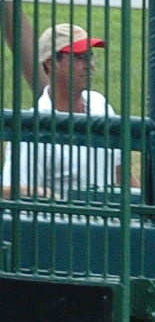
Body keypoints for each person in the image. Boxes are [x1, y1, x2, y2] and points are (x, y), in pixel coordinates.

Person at [0, 22, 124, 199]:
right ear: (51, 63)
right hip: (61, 225)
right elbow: (11, 190)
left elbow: (120, 172)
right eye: (79, 57)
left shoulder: (99, 105)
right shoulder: (32, 130)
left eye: (89, 56)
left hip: (109, 222)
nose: (89, 65)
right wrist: (50, 197)